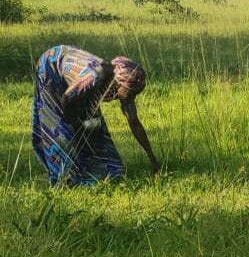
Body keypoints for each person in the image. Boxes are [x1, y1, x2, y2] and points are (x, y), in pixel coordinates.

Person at [31, 45, 159, 186]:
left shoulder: (124, 85)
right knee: (62, 128)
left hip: (78, 83)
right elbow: (67, 98)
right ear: (118, 83)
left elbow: (134, 122)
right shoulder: (94, 76)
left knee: (94, 126)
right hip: (52, 66)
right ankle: (65, 177)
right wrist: (73, 122)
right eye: (130, 93)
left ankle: (101, 169)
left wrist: (151, 157)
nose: (130, 97)